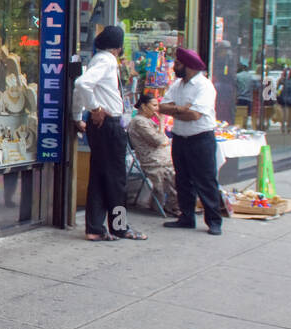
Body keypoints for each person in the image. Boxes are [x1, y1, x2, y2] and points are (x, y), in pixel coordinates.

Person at [72, 25, 146, 241]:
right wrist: (94, 108)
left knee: (99, 177)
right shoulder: (107, 60)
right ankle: (120, 226)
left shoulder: (97, 60)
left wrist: (78, 115)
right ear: (118, 47)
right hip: (109, 125)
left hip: (100, 127)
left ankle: (95, 227)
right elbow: (82, 84)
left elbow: (80, 88)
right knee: (116, 180)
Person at [160, 47, 223, 236]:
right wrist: (182, 109)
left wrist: (177, 110)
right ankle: (186, 217)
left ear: (189, 67)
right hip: (180, 138)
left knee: (205, 180)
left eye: (178, 64)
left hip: (200, 139)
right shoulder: (177, 85)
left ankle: (214, 220)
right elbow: (162, 107)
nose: (174, 67)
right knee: (182, 180)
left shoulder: (204, 86)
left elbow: (195, 115)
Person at [126, 93, 179, 218]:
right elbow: (159, 140)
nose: (157, 109)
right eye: (154, 105)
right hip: (153, 160)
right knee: (174, 175)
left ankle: (174, 205)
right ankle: (173, 206)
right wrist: (161, 124)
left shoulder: (147, 120)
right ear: (144, 106)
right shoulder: (139, 122)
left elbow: (162, 140)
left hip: (161, 158)